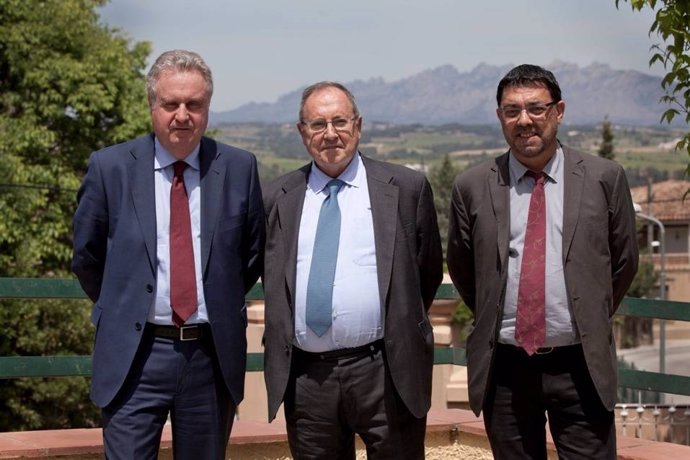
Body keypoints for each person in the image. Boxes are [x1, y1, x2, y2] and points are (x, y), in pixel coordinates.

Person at [71, 49, 264, 459]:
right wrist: (126, 306)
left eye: (193, 104)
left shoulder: (238, 167)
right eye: (170, 104)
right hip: (134, 356)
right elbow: (87, 256)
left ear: (207, 108)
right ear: (151, 106)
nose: (182, 115)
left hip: (209, 357)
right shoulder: (110, 168)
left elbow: (249, 257)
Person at [447, 64, 639, 459]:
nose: (524, 121)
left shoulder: (604, 178)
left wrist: (586, 315)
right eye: (512, 110)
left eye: (536, 108)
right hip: (505, 370)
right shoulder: (473, 186)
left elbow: (623, 263)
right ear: (500, 116)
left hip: (580, 365)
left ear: (558, 111)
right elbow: (467, 272)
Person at [262, 81, 443, 459]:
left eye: (340, 121)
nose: (330, 134)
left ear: (358, 125)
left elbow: (423, 277)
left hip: (386, 373)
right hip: (308, 379)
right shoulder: (278, 198)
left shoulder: (405, 189)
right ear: (301, 132)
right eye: (317, 124)